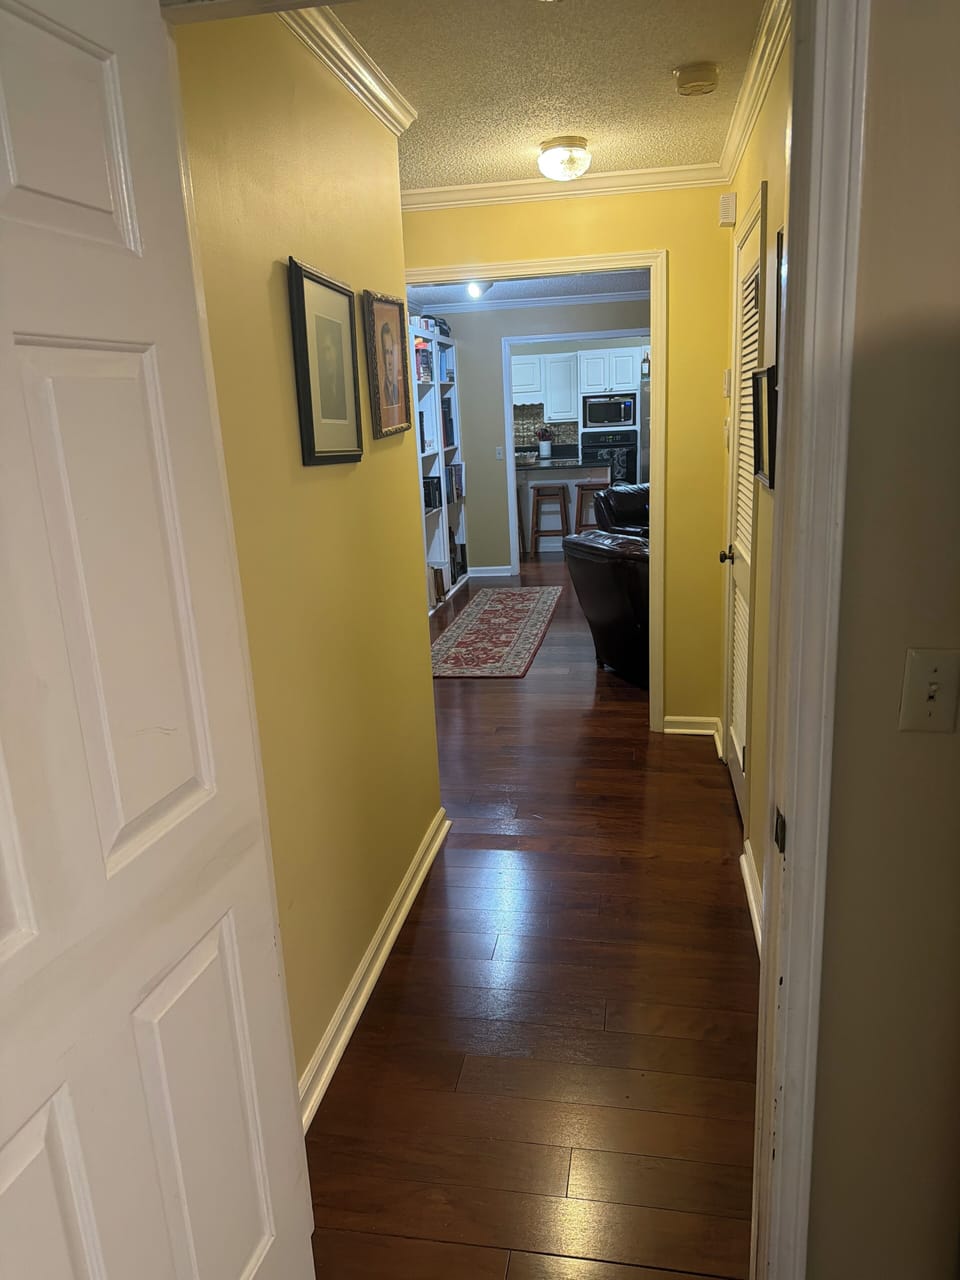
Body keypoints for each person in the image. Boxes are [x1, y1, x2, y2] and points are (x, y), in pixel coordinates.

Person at [316, 316, 347, 422]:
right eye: (323, 351)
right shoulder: (323, 389)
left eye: (328, 349)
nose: (326, 357)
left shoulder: (345, 384)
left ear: (337, 350)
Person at [380, 320, 400, 408]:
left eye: (392, 353)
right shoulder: (381, 391)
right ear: (382, 356)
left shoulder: (398, 390)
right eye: (387, 353)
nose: (390, 361)